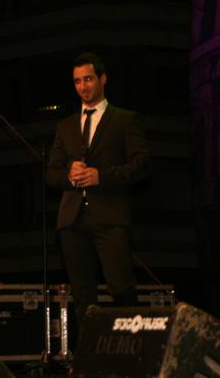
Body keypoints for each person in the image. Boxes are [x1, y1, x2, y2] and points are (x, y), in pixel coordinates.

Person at [46, 52, 152, 334]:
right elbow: (51, 173)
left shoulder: (125, 119)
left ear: (103, 79)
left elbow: (142, 165)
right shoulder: (65, 126)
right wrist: (70, 175)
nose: (83, 86)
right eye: (77, 81)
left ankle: (133, 347)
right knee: (83, 296)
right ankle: (89, 353)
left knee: (122, 287)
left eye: (88, 79)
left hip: (110, 216)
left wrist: (101, 176)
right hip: (72, 220)